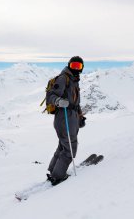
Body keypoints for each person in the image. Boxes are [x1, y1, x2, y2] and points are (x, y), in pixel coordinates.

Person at [46, 56, 86, 185]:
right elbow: (51, 95)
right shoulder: (64, 78)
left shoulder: (74, 80)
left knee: (63, 146)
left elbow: (76, 103)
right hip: (64, 116)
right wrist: (58, 101)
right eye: (73, 65)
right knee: (70, 148)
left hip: (71, 116)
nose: (75, 69)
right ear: (69, 65)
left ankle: (53, 170)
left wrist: (80, 117)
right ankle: (58, 176)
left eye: (78, 66)